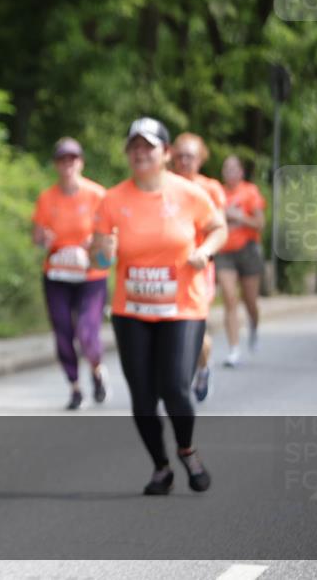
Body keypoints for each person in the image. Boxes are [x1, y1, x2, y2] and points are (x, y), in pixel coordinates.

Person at [91, 117, 227, 495]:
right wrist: (103, 252)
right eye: (134, 147)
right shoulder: (113, 199)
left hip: (182, 307)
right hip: (131, 310)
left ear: (165, 153)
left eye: (148, 146)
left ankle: (187, 449)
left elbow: (219, 228)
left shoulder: (189, 193)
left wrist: (205, 250)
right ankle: (161, 467)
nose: (140, 153)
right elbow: (98, 260)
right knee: (143, 396)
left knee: (175, 387)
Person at [32, 137, 109, 410]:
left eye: (73, 159)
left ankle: (97, 372)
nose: (68, 164)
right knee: (63, 331)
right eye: (63, 159)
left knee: (88, 333)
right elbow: (37, 238)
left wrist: (96, 241)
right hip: (58, 274)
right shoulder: (47, 198)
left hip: (91, 275)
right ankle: (75, 387)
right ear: (56, 164)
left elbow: (112, 234)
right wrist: (45, 239)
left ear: (81, 162)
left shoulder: (97, 194)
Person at [171, 132, 226, 402]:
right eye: (179, 155)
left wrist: (204, 252)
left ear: (200, 159)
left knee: (197, 328)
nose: (184, 161)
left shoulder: (211, 188)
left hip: (200, 267)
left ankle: (203, 366)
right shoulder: (165, 185)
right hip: (169, 268)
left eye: (189, 156)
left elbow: (220, 226)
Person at [215, 155, 266, 367]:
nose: (230, 172)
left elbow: (260, 223)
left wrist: (238, 217)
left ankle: (254, 324)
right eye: (226, 168)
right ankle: (234, 349)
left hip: (248, 250)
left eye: (234, 168)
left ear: (241, 172)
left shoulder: (250, 192)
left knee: (249, 300)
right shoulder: (217, 193)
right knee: (229, 298)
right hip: (224, 251)